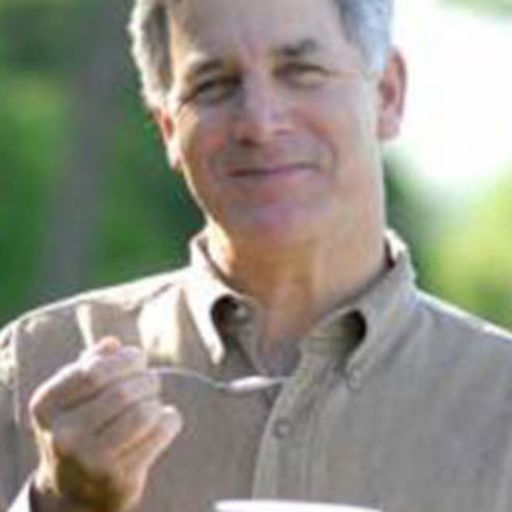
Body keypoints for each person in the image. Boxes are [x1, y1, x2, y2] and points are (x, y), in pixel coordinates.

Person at [1, 0, 511, 510]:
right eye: (213, 85)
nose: (260, 124)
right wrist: (58, 502)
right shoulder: (35, 366)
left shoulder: (499, 399)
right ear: (168, 127)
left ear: (387, 94)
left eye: (301, 72)